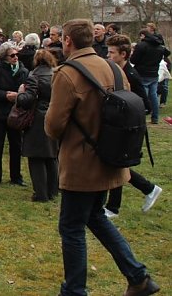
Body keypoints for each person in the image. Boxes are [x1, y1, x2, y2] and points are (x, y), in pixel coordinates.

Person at [46, 19, 160, 296]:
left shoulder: (68, 73)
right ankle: (138, 277)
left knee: (71, 227)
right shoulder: (113, 68)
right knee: (95, 216)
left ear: (69, 41)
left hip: (82, 164)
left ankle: (74, 290)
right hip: (111, 155)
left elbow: (53, 126)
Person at [103, 35, 163, 219]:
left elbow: (144, 104)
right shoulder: (114, 70)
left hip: (127, 127)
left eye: (112, 52)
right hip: (117, 125)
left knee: (117, 163)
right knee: (115, 163)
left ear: (124, 54)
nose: (108, 55)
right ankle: (148, 189)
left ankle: (114, 207)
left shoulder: (131, 74)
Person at [15, 48, 59, 202]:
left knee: (36, 157)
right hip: (54, 115)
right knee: (52, 155)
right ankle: (53, 190)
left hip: (37, 118)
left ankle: (40, 193)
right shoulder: (57, 74)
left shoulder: (34, 76)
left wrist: (20, 93)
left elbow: (27, 99)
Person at [0, 41, 28, 186]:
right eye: (12, 55)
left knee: (16, 146)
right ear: (4, 57)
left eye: (17, 54)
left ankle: (16, 177)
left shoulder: (23, 71)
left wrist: (19, 96)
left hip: (17, 114)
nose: (15, 57)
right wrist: (5, 95)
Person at [131, 27, 169, 124]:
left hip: (142, 73)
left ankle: (142, 117)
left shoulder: (141, 45)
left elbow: (133, 60)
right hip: (154, 73)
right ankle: (155, 117)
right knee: (154, 96)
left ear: (143, 35)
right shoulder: (159, 46)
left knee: (144, 96)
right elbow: (167, 53)